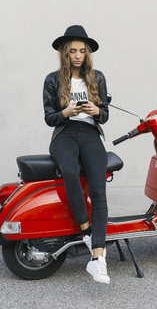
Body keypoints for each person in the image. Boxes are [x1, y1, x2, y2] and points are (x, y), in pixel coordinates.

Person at [43, 25, 110, 284]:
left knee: (98, 189)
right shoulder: (52, 79)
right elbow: (49, 117)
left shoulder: (98, 77)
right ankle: (86, 231)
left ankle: (98, 260)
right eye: (73, 51)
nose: (78, 55)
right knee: (70, 171)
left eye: (82, 51)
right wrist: (65, 113)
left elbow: (105, 114)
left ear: (87, 53)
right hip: (65, 134)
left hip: (90, 133)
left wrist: (95, 110)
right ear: (65, 53)